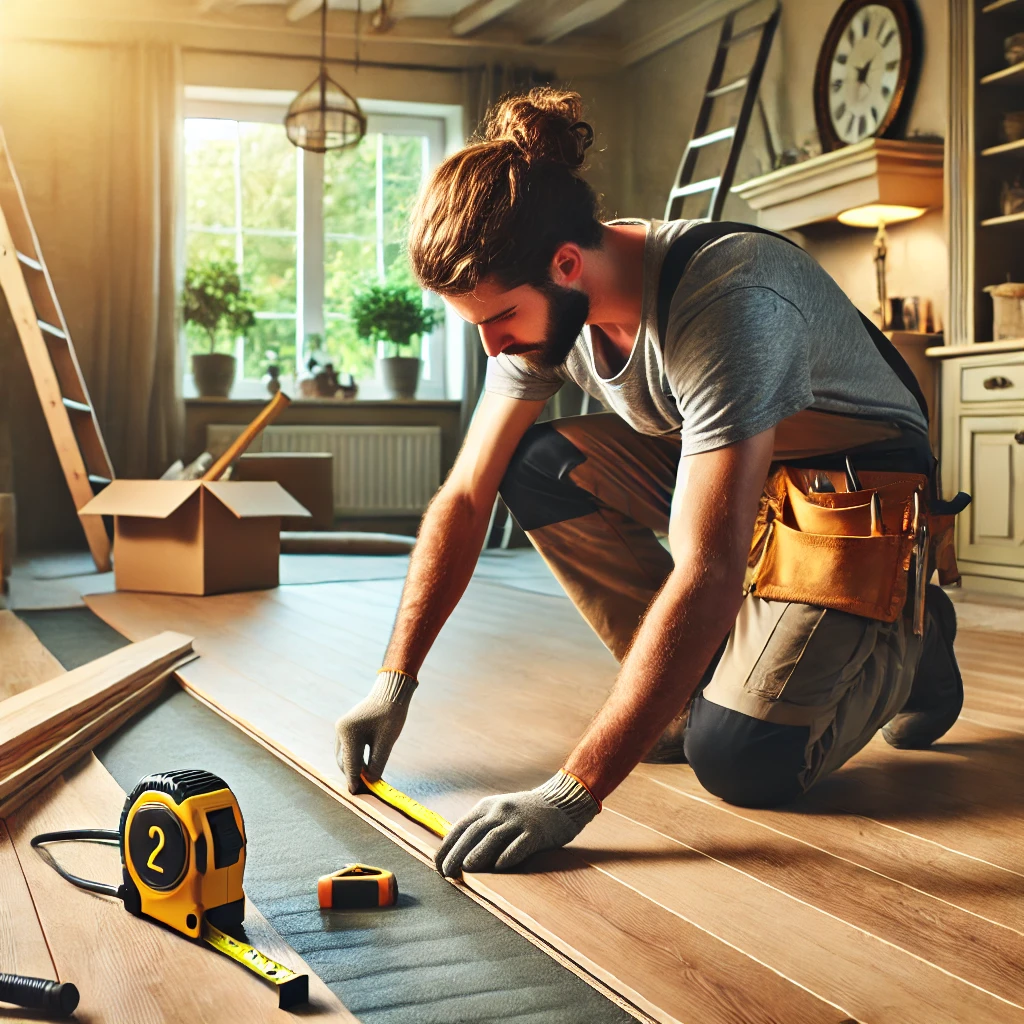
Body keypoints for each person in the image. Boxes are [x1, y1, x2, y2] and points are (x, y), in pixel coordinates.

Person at [335, 88, 964, 879]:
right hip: (739, 462)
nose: (493, 347)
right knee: (539, 467)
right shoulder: (551, 306)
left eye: (499, 320)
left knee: (740, 760)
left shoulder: (729, 303)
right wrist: (393, 683)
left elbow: (708, 568)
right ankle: (695, 686)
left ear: (566, 265)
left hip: (852, 487)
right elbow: (466, 496)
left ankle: (916, 633)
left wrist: (571, 795)